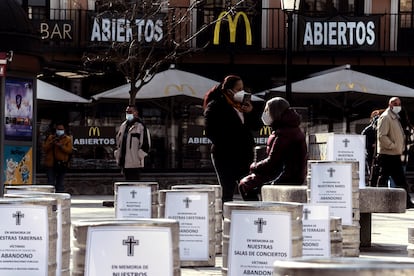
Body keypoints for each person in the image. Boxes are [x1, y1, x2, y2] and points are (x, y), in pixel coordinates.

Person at [238, 97, 308, 201]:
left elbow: (272, 161)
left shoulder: (284, 133)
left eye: (267, 110)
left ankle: (256, 212)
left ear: (274, 112)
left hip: (285, 176)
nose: (265, 113)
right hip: (288, 174)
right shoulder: (287, 128)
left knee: (245, 184)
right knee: (249, 181)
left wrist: (254, 166)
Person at [203, 75, 256, 202]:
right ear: (229, 90)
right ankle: (228, 219)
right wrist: (229, 143)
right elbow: (211, 132)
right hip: (225, 155)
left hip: (244, 154)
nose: (241, 92)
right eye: (238, 89)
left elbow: (256, 127)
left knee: (249, 189)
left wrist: (251, 112)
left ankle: (253, 217)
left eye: (243, 88)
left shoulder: (242, 106)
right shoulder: (216, 106)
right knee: (227, 190)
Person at [376, 97, 414, 209]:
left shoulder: (395, 117)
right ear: (390, 104)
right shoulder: (386, 117)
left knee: (400, 180)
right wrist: (393, 146)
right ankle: (379, 201)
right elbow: (382, 136)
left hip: (394, 154)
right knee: (384, 179)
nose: (398, 106)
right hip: (387, 154)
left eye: (399, 104)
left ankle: (406, 202)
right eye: (395, 103)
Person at [114, 104, 151, 180]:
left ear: (136, 112)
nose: (128, 114)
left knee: (134, 184)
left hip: (135, 163)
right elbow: (118, 142)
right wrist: (117, 155)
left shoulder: (141, 126)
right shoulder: (123, 126)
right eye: (127, 112)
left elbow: (146, 145)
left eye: (130, 112)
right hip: (124, 163)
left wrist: (139, 157)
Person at [42, 123, 73, 192]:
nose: (60, 131)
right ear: (56, 130)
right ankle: (50, 197)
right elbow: (45, 148)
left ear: (64, 130)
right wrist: (52, 143)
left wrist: (61, 146)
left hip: (62, 164)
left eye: (61, 129)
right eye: (58, 129)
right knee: (50, 182)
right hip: (51, 164)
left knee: (60, 183)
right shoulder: (51, 138)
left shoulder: (67, 139)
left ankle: (59, 196)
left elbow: (69, 150)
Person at [361, 109, 383, 186]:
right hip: (371, 155)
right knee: (372, 172)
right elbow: (364, 143)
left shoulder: (382, 129)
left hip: (381, 154)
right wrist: (372, 145)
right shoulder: (367, 130)